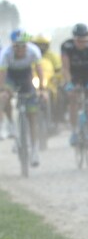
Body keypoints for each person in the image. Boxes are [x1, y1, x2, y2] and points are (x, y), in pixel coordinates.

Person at [0, 30, 45, 165]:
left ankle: (35, 151)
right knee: (4, 97)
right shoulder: (5, 54)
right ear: (12, 45)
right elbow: (2, 74)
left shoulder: (34, 51)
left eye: (23, 46)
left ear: (27, 45)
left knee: (32, 115)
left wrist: (42, 89)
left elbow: (39, 70)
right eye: (17, 46)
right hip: (11, 77)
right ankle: (7, 126)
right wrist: (2, 90)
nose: (20, 49)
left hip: (26, 77)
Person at [61, 23, 88, 147]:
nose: (81, 44)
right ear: (74, 39)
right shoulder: (66, 46)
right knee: (73, 99)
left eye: (84, 41)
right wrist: (69, 84)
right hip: (73, 74)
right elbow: (65, 67)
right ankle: (74, 130)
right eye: (78, 41)